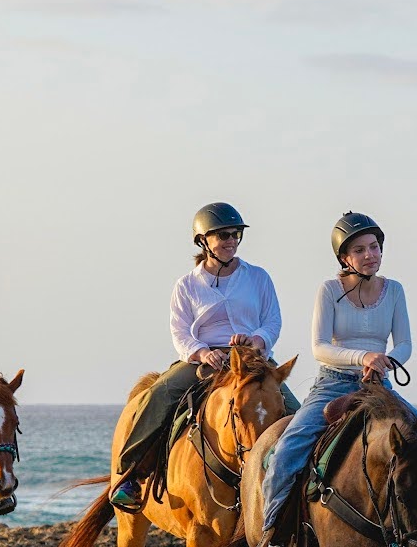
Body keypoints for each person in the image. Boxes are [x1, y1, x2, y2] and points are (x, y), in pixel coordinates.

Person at [250, 212, 417, 547]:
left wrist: (385, 360)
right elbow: (319, 347)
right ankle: (275, 540)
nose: (371, 255)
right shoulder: (329, 291)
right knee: (286, 450)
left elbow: (405, 343)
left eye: (375, 247)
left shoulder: (394, 290)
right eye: (360, 249)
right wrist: (362, 357)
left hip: (380, 387)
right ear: (344, 257)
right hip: (333, 384)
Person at [108, 203, 288, 514]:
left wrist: (257, 340)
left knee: (293, 410)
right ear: (203, 241)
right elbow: (180, 333)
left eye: (235, 234)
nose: (231, 240)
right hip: (203, 361)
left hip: (251, 360)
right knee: (157, 395)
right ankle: (130, 476)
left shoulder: (258, 278)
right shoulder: (187, 285)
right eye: (222, 235)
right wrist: (204, 352)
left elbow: (272, 320)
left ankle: (299, 482)